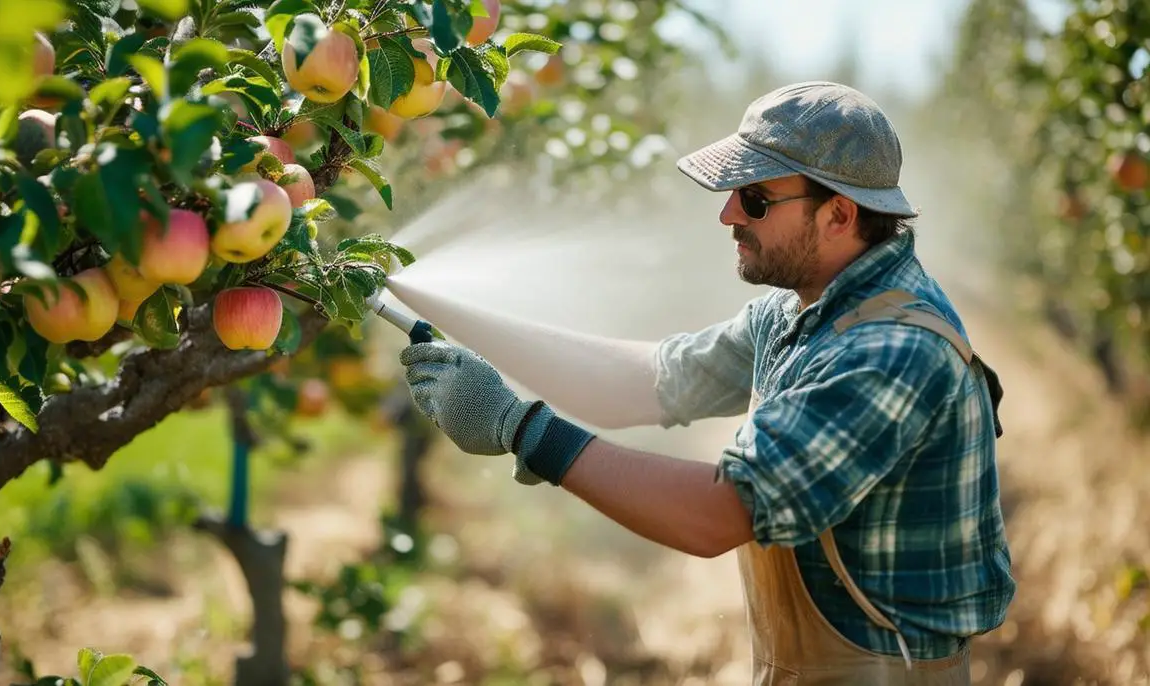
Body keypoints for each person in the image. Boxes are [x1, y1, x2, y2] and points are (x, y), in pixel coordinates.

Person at [398, 81, 1016, 684]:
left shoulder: (890, 352)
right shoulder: (800, 308)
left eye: (754, 198)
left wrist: (520, 428)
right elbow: (648, 381)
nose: (727, 213)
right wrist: (465, 324)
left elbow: (719, 515)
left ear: (839, 214)